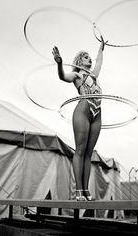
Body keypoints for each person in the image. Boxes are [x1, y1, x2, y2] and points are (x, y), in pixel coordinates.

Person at [52, 39, 107, 201]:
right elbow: (63, 77)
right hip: (83, 109)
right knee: (80, 150)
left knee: (89, 153)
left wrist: (101, 48)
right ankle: (78, 191)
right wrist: (59, 63)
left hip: (97, 111)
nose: (89, 59)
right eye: (85, 57)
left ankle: (86, 190)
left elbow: (100, 62)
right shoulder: (77, 75)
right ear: (78, 61)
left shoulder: (93, 75)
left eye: (89, 57)